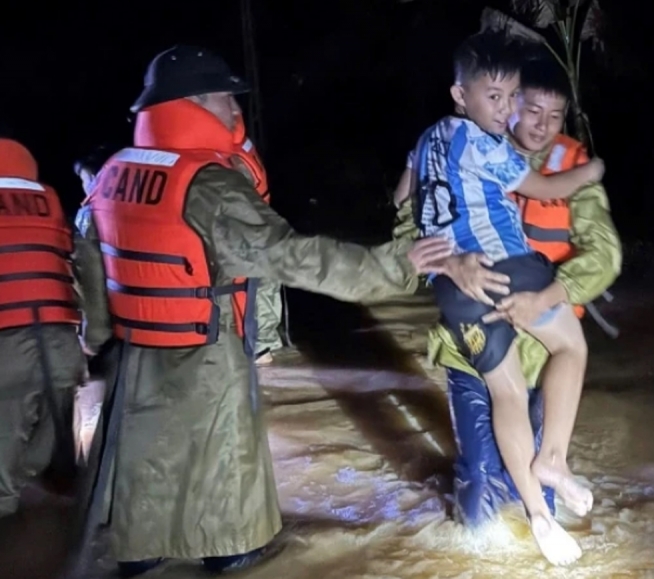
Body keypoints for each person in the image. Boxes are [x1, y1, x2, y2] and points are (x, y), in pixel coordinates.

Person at [73, 45, 451, 577]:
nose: (234, 110)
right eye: (226, 98)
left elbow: (88, 254)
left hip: (137, 349)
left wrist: (99, 332)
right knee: (226, 451)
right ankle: (232, 550)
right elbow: (291, 256)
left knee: (146, 450)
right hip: (208, 342)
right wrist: (395, 266)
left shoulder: (114, 171)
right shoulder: (209, 183)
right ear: (194, 102)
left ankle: (141, 552)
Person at [393, 53, 621, 563]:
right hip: (466, 348)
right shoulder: (477, 146)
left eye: (555, 115)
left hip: (540, 352)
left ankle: (536, 528)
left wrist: (547, 296)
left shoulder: (570, 168)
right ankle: (469, 562)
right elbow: (403, 235)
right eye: (528, 107)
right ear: (509, 105)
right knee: (477, 489)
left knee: (534, 494)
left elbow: (605, 257)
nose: (540, 123)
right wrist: (452, 262)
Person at [0, 138, 86, 518]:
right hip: (60, 339)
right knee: (58, 446)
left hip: (6, 345)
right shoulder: (47, 199)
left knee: (5, 443)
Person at [229, 116, 286, 365]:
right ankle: (261, 350)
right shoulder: (238, 144)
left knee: (257, 301)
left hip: (252, 241)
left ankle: (260, 352)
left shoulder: (232, 156)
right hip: (262, 234)